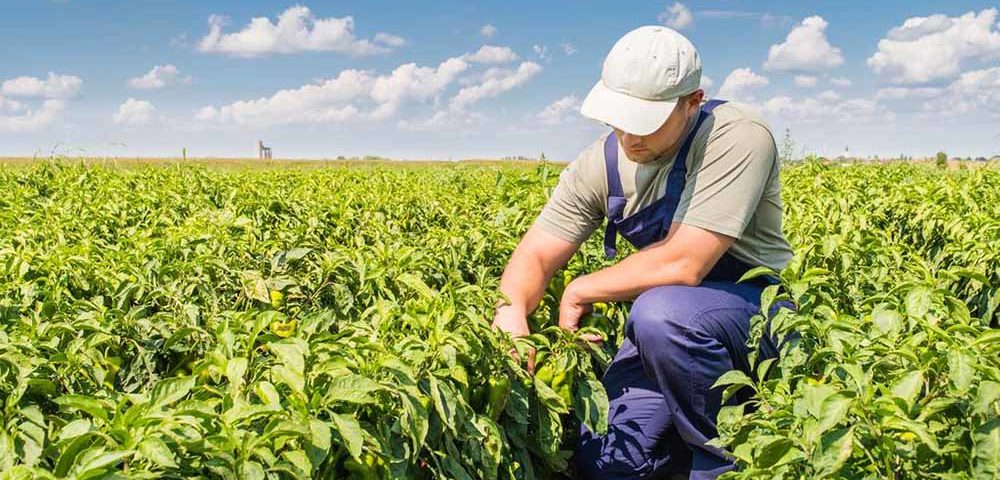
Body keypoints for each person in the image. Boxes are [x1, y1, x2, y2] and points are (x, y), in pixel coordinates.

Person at [492, 26, 794, 479]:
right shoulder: (602, 164)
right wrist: (511, 312)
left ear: (692, 102)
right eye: (620, 118)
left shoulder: (736, 135)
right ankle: (687, 442)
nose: (630, 137)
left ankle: (725, 464)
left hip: (754, 316)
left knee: (662, 312)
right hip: (668, 336)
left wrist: (578, 290)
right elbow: (536, 253)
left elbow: (684, 262)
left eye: (646, 121)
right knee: (610, 462)